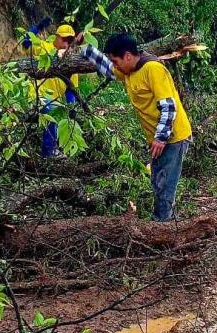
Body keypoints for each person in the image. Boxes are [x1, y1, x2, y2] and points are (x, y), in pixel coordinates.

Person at [80, 33, 192, 221]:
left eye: (116, 61)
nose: (115, 65)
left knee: (165, 185)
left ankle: (163, 225)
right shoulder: (128, 71)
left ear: (127, 56)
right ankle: (167, 221)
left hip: (173, 137)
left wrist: (160, 138)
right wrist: (85, 48)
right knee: (157, 181)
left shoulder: (153, 69)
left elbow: (168, 106)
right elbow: (108, 69)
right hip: (158, 138)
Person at [22, 18, 80, 158]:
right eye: (64, 39)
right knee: (53, 111)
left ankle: (63, 147)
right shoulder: (44, 48)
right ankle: (48, 151)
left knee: (61, 114)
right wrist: (39, 26)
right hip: (37, 95)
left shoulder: (70, 60)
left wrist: (71, 108)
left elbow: (70, 90)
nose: (66, 44)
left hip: (54, 101)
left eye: (69, 41)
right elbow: (26, 43)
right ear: (56, 37)